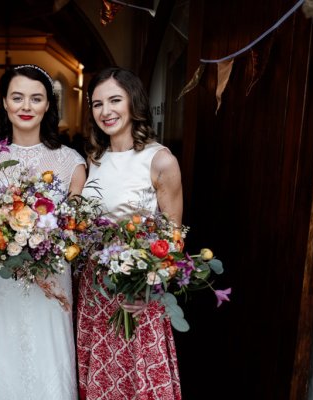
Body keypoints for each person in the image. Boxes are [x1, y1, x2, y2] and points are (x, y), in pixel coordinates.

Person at [0, 64, 87, 400]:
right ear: (4, 103)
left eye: (36, 98)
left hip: (52, 279)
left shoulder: (71, 162)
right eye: (17, 97)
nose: (26, 106)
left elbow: (73, 231)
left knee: (50, 355)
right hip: (1, 282)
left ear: (48, 105)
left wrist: (45, 239)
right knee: (3, 355)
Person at [76, 67, 183, 399]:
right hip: (95, 289)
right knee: (101, 378)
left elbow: (174, 235)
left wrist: (148, 285)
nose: (106, 111)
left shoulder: (160, 160)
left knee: (136, 377)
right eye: (97, 104)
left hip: (136, 294)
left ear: (133, 102)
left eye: (114, 100)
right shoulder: (93, 159)